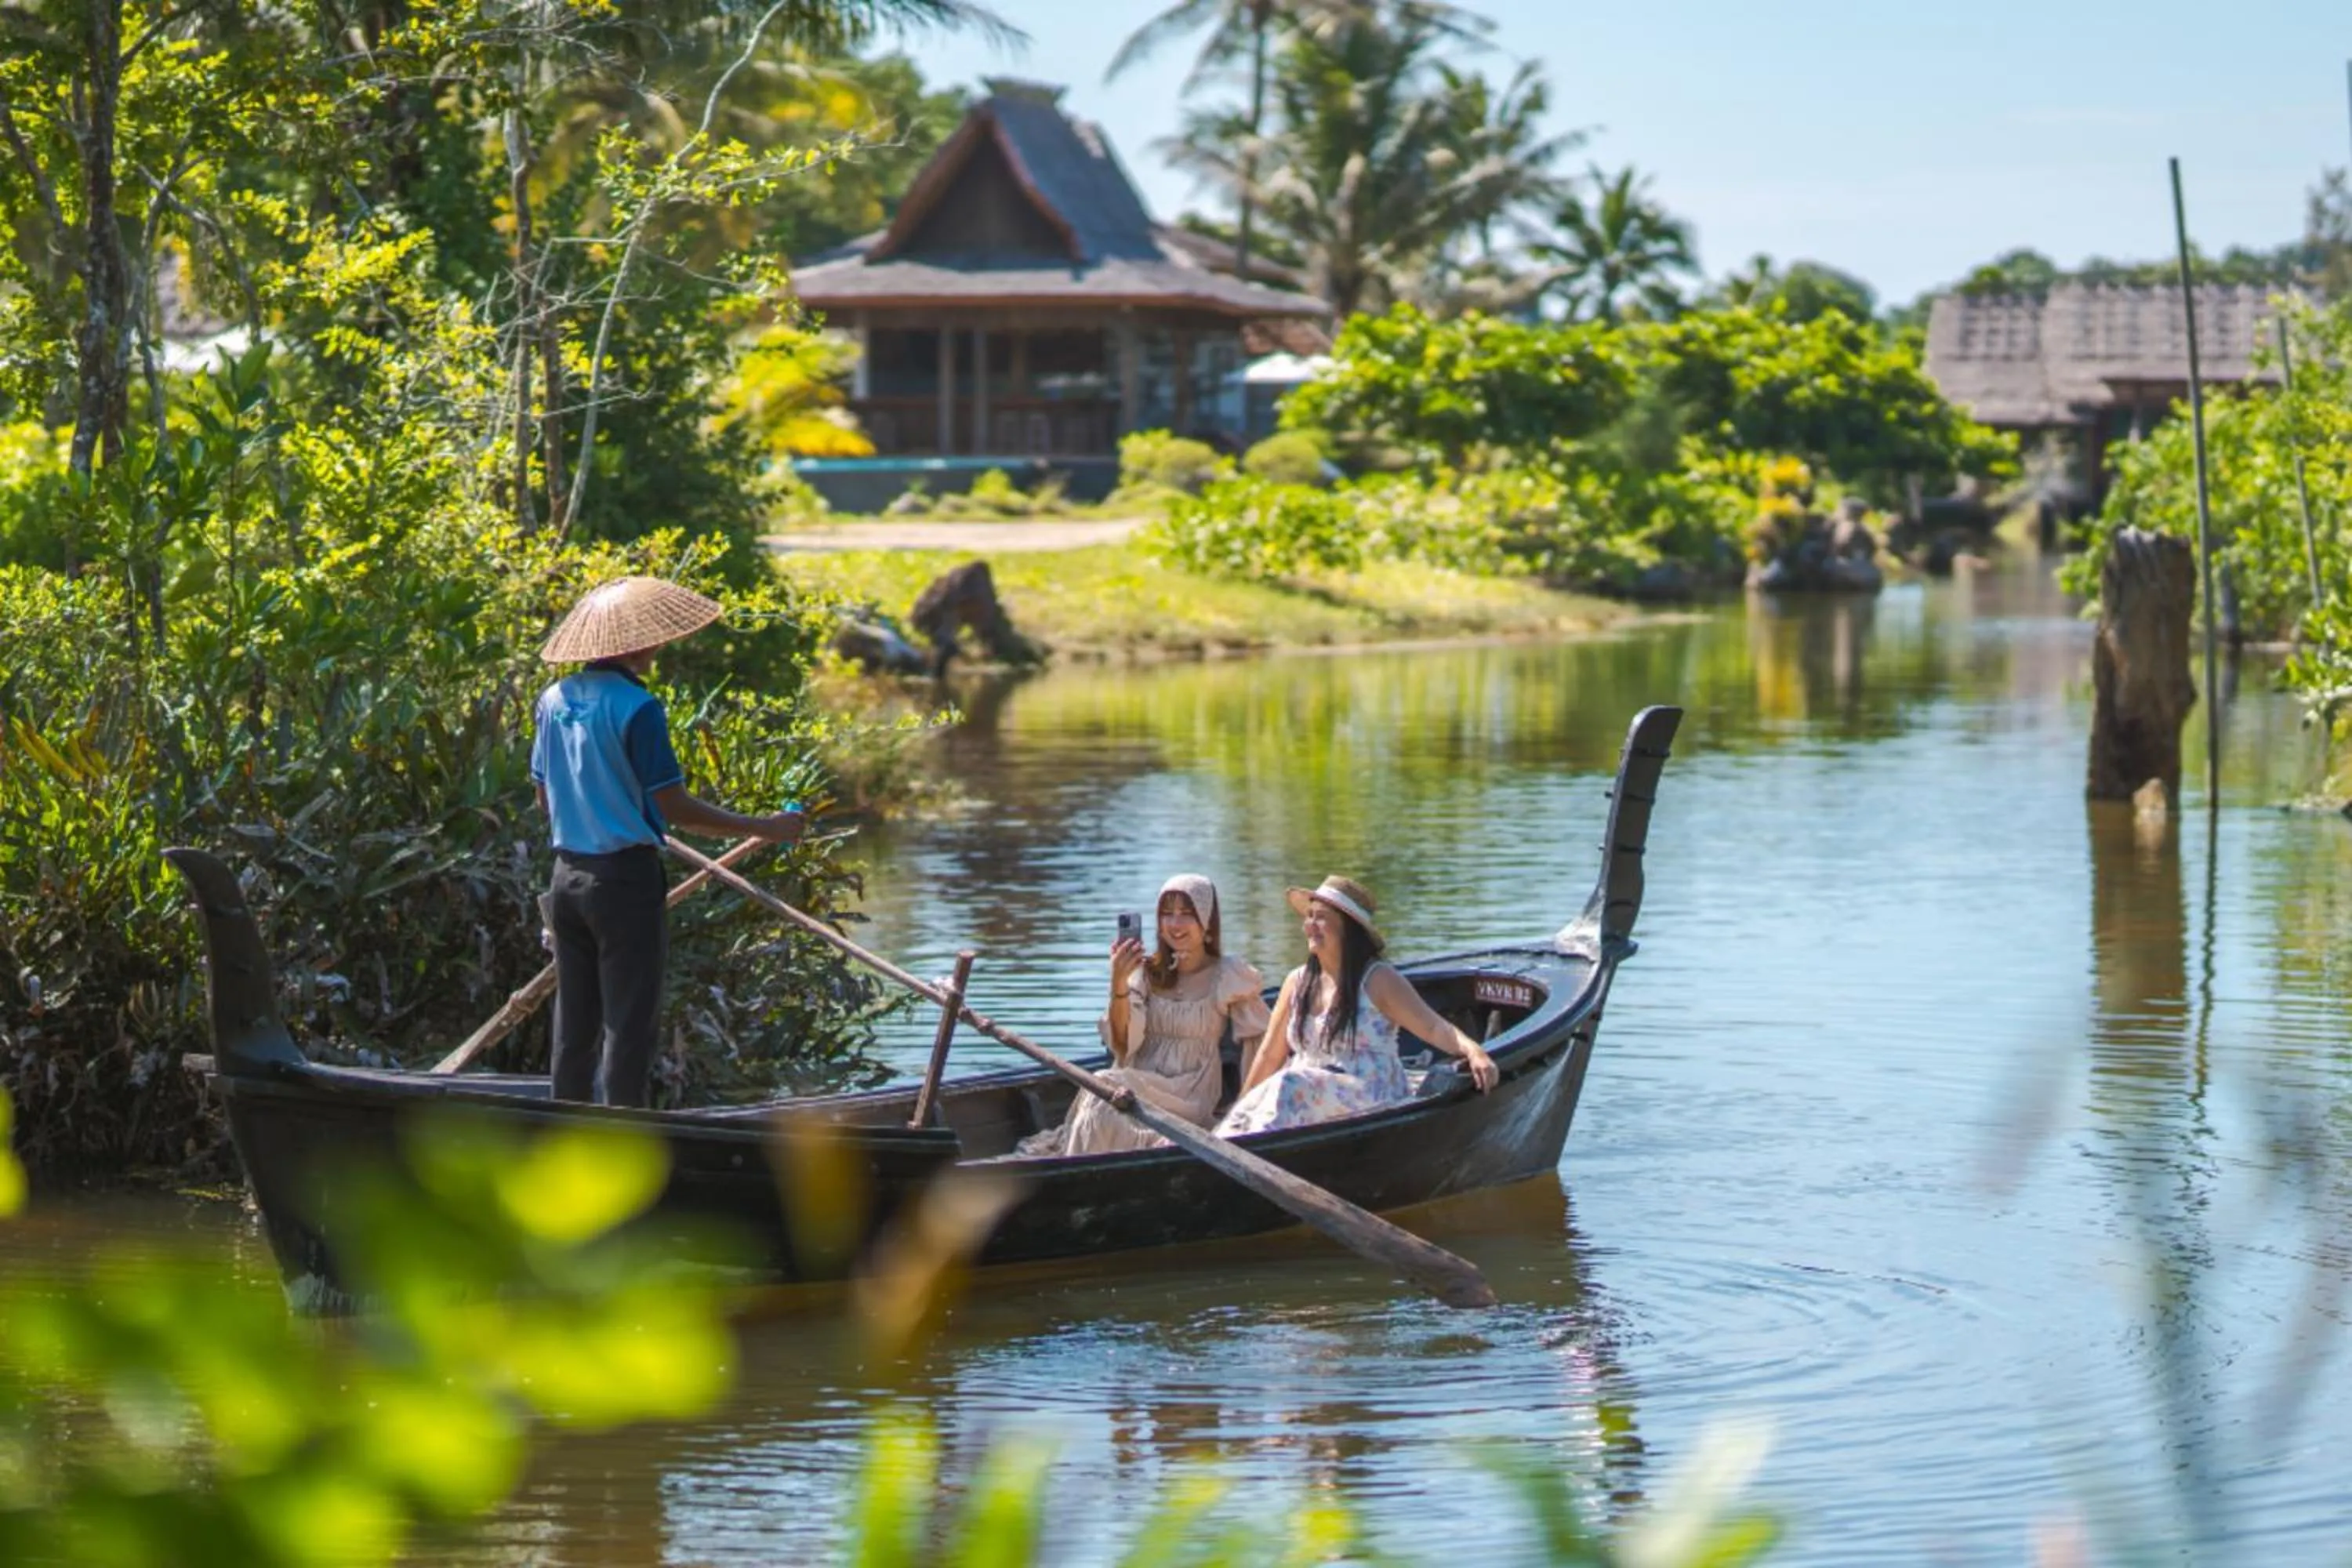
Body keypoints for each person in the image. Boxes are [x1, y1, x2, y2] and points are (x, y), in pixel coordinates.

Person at [530, 575, 804, 1107]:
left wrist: (598, 806)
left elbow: (545, 798)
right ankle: (622, 1143)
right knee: (629, 1024)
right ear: (633, 645)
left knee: (573, 1025)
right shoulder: (638, 708)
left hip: (566, 878)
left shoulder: (552, 699)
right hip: (623, 880)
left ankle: (563, 1135)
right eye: (652, 636)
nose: (660, 643)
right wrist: (764, 826)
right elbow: (674, 808)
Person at [1216, 874, 1498, 1137]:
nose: (1310, 925)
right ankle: (1223, 1149)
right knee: (1264, 1095)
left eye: (1322, 918)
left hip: (1370, 1091)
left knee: (1288, 1085)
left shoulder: (1378, 980)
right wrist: (1241, 1109)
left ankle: (1245, 1154)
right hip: (1308, 1090)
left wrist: (1475, 1052)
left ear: (1348, 931)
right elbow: (1268, 1056)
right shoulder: (1297, 982)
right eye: (1309, 916)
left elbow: (1434, 1027)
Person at [1018, 873, 1270, 1157]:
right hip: (1138, 1081)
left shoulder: (1228, 974)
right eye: (1167, 914)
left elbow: (1261, 1046)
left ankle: (1075, 1175)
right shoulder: (1146, 973)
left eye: (1186, 914)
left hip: (1189, 1093)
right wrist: (1119, 983)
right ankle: (1079, 1173)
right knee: (1103, 1090)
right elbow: (1124, 1045)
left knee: (1105, 1088)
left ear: (1207, 921)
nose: (1174, 924)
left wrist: (1245, 1111)